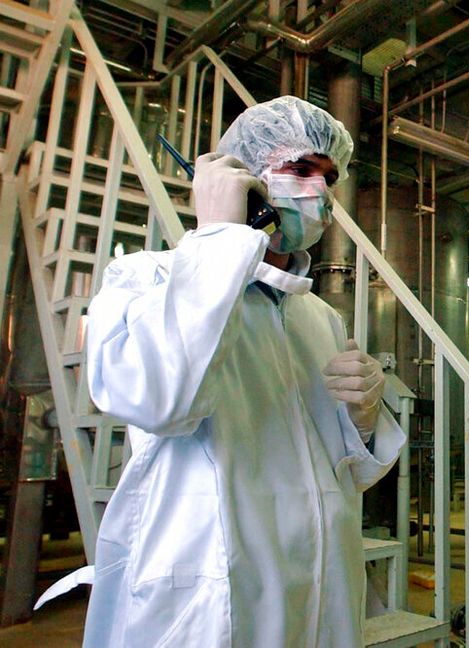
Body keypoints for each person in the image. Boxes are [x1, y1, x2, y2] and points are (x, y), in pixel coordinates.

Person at [79, 96, 405, 647]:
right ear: (244, 179)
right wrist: (221, 238)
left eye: (330, 177)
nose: (320, 192)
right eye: (300, 169)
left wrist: (363, 420)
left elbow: (341, 473)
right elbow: (161, 401)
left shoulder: (318, 315)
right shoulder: (147, 279)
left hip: (319, 585)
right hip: (216, 591)